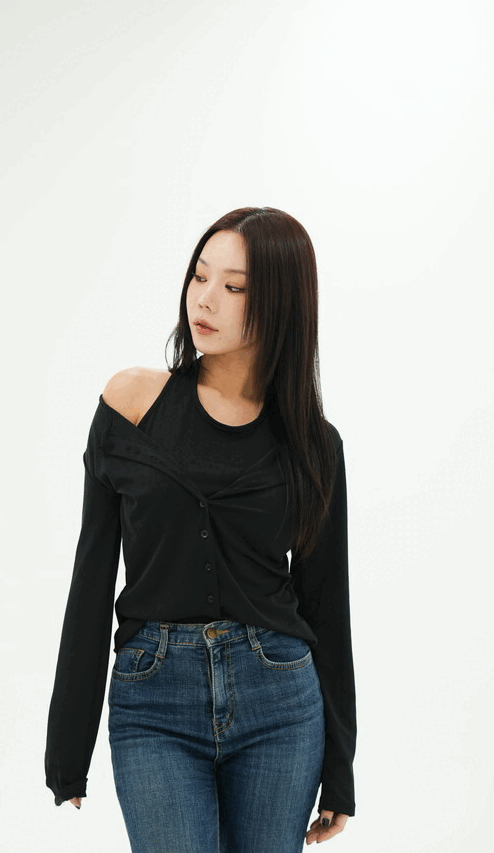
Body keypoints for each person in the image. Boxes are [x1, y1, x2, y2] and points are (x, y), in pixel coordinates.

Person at [45, 206, 357, 851]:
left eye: (234, 287)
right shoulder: (130, 405)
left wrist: (340, 772)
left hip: (281, 705)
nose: (205, 299)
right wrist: (67, 746)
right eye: (199, 276)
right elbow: (91, 576)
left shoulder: (313, 445)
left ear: (282, 304)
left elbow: (327, 606)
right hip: (153, 703)